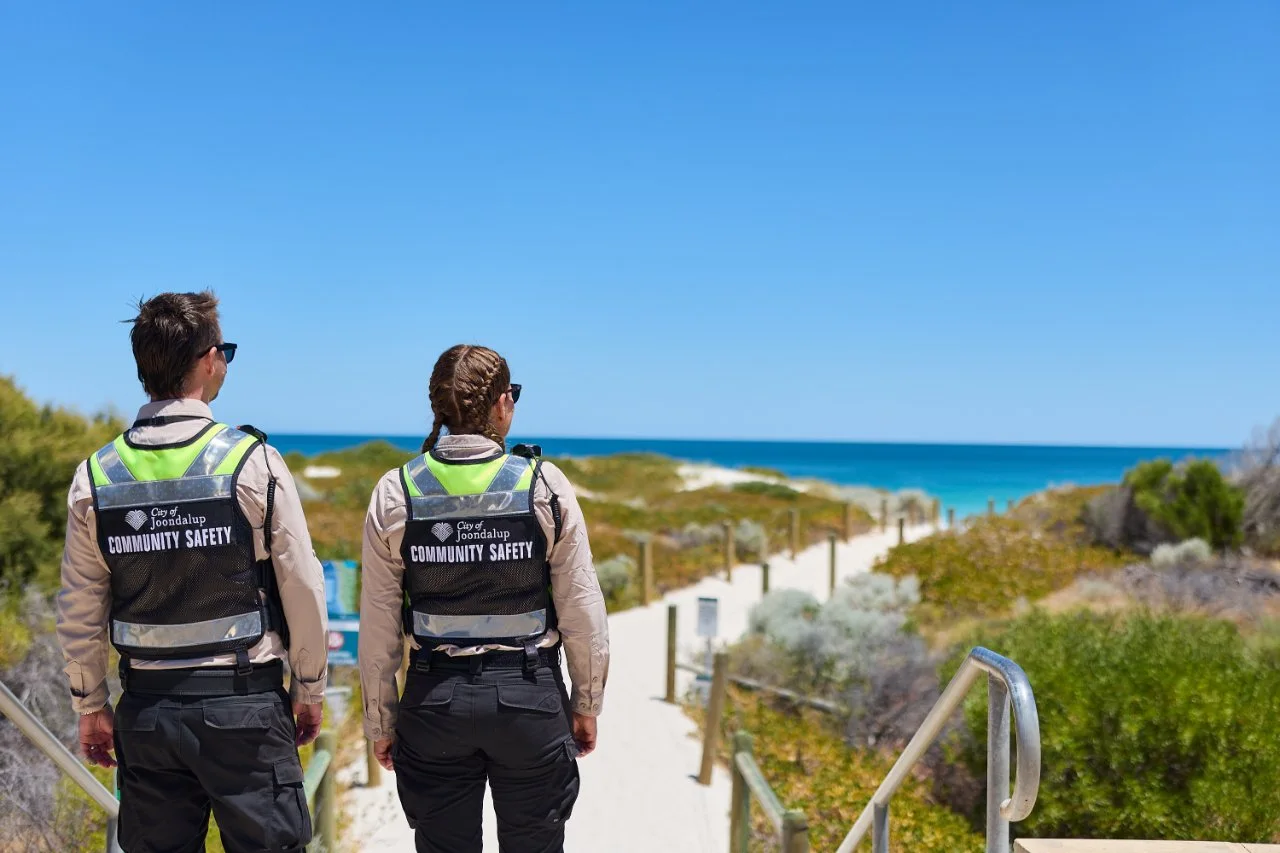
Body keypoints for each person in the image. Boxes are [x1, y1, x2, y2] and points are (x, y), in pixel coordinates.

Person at [56, 291, 329, 853]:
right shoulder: (252, 462)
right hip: (245, 706)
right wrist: (309, 687)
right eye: (225, 351)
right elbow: (302, 586)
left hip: (147, 711)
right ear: (208, 361)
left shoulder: (97, 476)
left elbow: (79, 608)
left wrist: (91, 704)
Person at [359, 344, 609, 853]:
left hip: (434, 702)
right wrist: (586, 703)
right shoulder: (543, 484)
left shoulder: (396, 490)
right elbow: (582, 608)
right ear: (502, 403)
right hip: (530, 700)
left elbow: (379, 621)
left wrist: (381, 722)